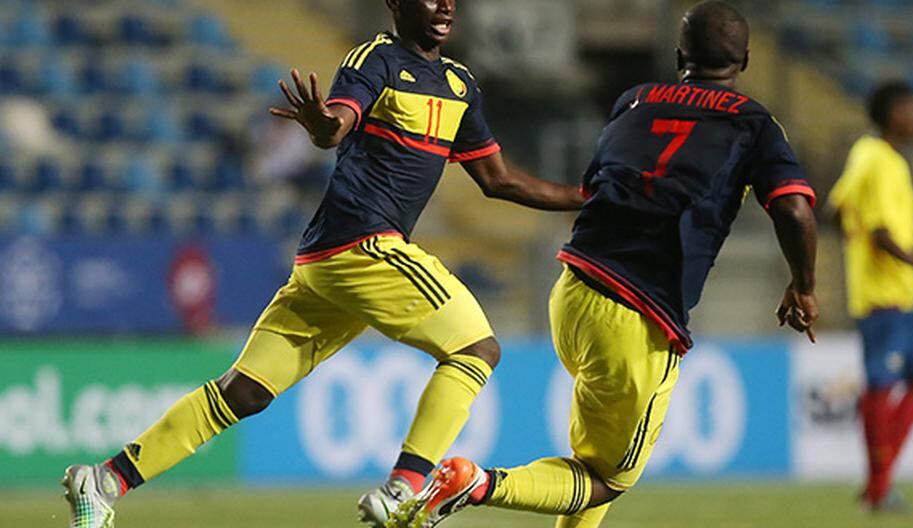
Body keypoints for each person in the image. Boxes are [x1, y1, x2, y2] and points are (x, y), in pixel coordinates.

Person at [61, 1, 583, 527]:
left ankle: (104, 481)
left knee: (242, 392)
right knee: (477, 349)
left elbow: (499, 180)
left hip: (326, 262)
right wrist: (320, 124)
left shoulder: (460, 84)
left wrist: (591, 195)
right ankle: (405, 487)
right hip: (364, 246)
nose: (445, 4)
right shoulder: (375, 59)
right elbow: (336, 125)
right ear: (396, 4)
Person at [387, 2, 819, 527]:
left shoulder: (633, 100)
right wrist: (804, 286)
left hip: (572, 289)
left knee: (591, 462)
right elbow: (794, 209)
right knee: (606, 479)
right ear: (746, 60)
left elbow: (598, 183)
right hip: (638, 315)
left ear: (680, 53)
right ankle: (476, 483)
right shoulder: (753, 124)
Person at [828, 80, 913, 513]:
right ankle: (878, 488)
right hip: (883, 297)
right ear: (891, 114)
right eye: (911, 109)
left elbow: (835, 208)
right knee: (881, 387)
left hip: (901, 296)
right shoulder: (881, 161)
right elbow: (884, 235)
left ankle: (878, 481)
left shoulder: (869, 155)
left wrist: (853, 245)